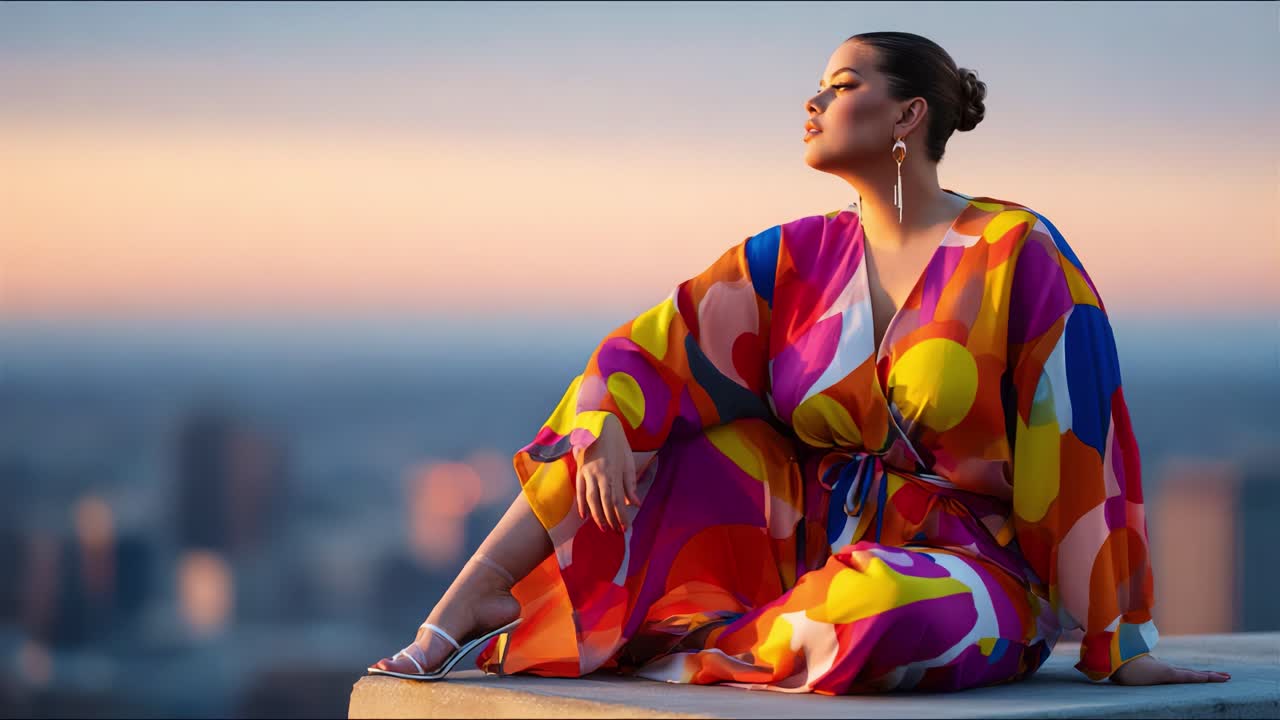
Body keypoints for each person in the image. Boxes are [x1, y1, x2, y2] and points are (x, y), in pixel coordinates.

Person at [368, 31, 1231, 691]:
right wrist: (600, 421)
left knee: (882, 612)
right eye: (815, 89)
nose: (813, 103)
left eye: (841, 86)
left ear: (908, 116)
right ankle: (470, 600)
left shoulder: (1015, 253)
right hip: (800, 535)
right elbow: (650, 349)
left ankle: (697, 635)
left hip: (969, 562)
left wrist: (1119, 643)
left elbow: (1081, 441)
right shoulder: (795, 258)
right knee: (619, 425)